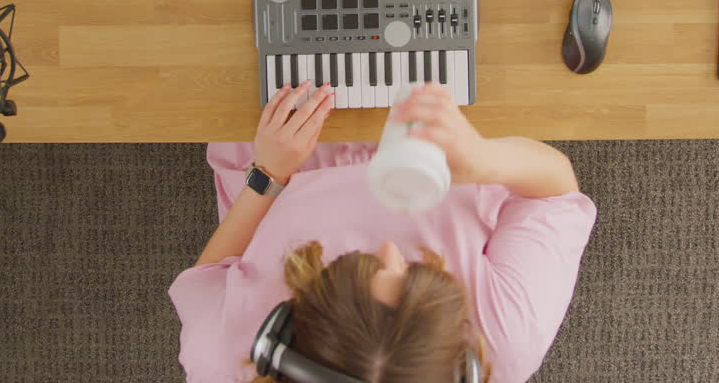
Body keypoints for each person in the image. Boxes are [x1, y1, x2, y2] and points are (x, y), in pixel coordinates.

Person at [168, 80, 597, 383]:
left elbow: (207, 277)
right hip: (443, 142)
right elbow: (553, 193)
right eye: (412, 271)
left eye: (359, 264)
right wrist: (483, 160)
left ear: (284, 326)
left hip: (288, 161)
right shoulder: (505, 340)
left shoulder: (227, 360)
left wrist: (269, 172)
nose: (392, 249)